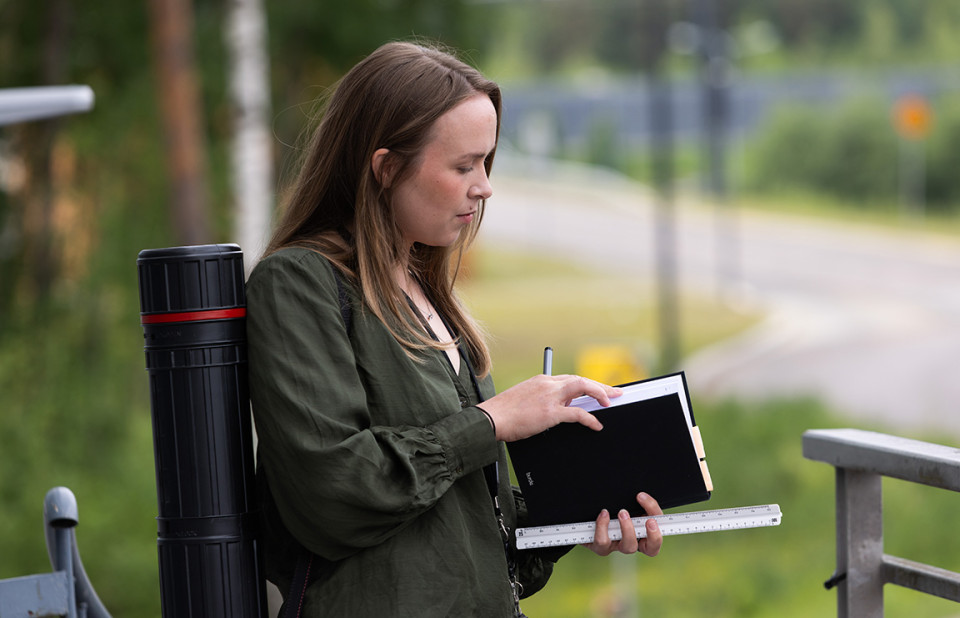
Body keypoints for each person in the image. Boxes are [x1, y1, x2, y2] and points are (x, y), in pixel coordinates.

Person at [246, 40, 663, 617]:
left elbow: (467, 534)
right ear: (387, 168)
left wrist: (586, 507)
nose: (484, 185)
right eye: (463, 165)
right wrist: (492, 423)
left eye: (487, 162)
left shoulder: (432, 297)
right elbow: (334, 495)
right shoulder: (298, 283)